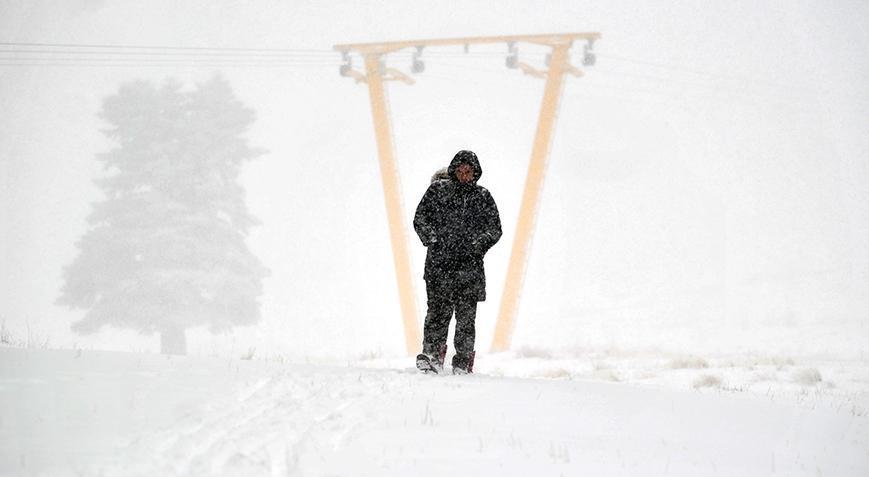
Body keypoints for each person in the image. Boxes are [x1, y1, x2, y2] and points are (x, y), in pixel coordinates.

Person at [413, 150, 502, 374]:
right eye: (460, 170)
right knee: (437, 313)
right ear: (453, 170)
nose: (464, 174)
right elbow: (420, 218)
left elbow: (495, 229)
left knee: (465, 319)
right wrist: (432, 239)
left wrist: (478, 245)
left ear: (475, 173)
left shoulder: (483, 197)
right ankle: (431, 356)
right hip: (439, 266)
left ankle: (463, 362)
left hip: (469, 269)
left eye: (469, 171)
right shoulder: (437, 191)